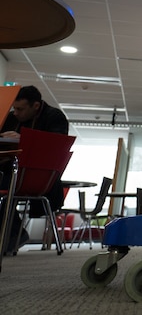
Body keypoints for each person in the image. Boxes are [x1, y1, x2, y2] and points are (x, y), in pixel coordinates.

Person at [1, 85, 70, 253]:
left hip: (40, 175)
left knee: (8, 190)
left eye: (20, 109)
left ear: (36, 106)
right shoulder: (11, 118)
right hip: (12, 170)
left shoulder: (54, 117)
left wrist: (24, 138)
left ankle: (13, 235)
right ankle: (13, 235)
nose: (16, 113)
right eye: (14, 108)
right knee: (7, 188)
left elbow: (56, 147)